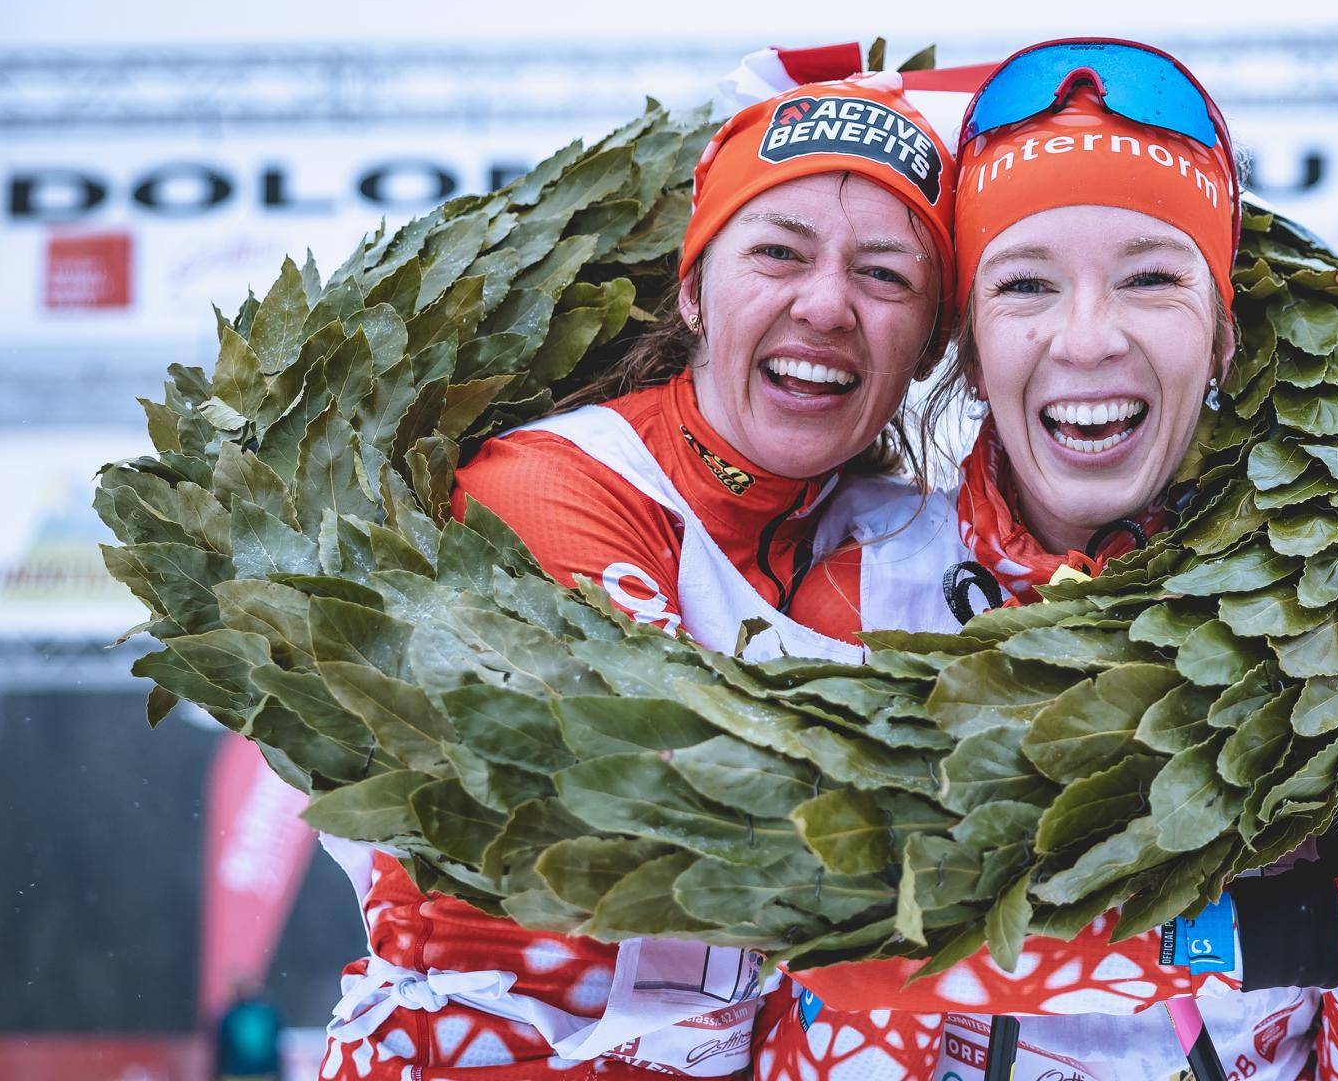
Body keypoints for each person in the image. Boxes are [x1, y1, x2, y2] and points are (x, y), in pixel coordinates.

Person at [758, 39, 1338, 1081]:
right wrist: (1294, 928)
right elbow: (842, 962)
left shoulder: (1336, 607)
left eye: (1151, 278)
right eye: (1025, 285)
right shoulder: (856, 588)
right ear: (967, 344)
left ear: (1225, 335)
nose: (1086, 339)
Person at [318, 69, 960, 1080]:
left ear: (927, 346)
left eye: (886, 275)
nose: (828, 304)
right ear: (695, 292)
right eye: (778, 255)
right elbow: (667, 806)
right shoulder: (550, 482)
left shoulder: (887, 533)